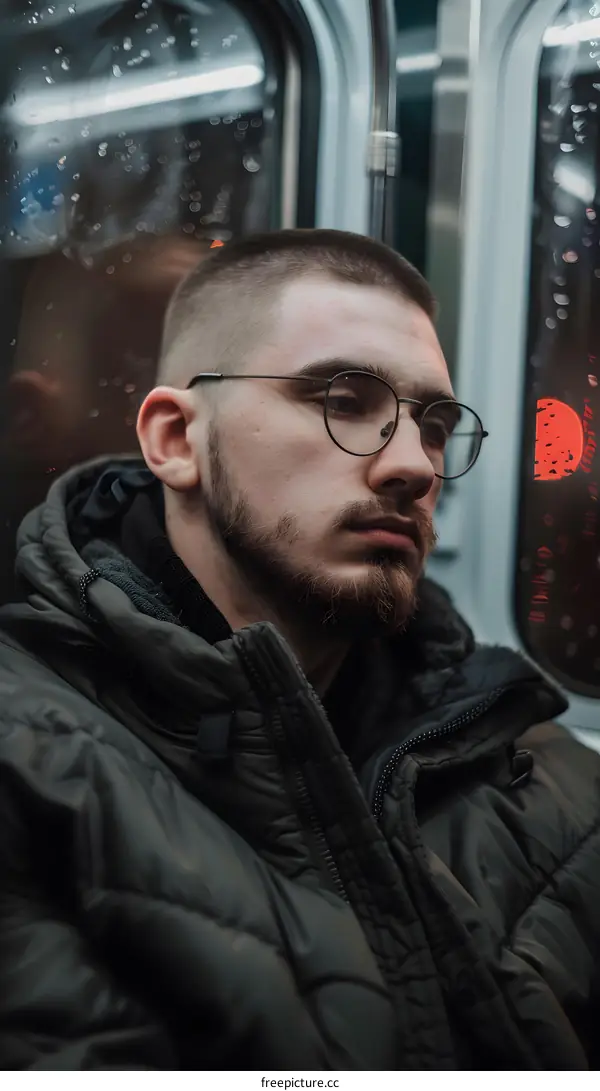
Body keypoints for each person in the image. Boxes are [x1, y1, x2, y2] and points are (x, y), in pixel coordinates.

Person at [0, 229, 598, 1072]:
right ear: (176, 439)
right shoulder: (31, 762)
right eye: (343, 400)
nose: (414, 466)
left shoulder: (548, 775)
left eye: (433, 424)